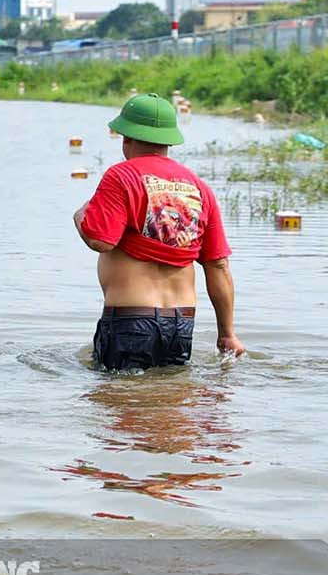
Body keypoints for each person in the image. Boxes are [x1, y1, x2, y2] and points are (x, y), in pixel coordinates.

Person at [74, 92, 246, 371]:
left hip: (130, 319)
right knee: (170, 402)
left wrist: (80, 216)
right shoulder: (199, 187)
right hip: (181, 325)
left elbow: (100, 239)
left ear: (126, 137)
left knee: (120, 404)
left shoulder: (122, 176)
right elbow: (218, 265)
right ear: (168, 139)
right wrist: (227, 334)